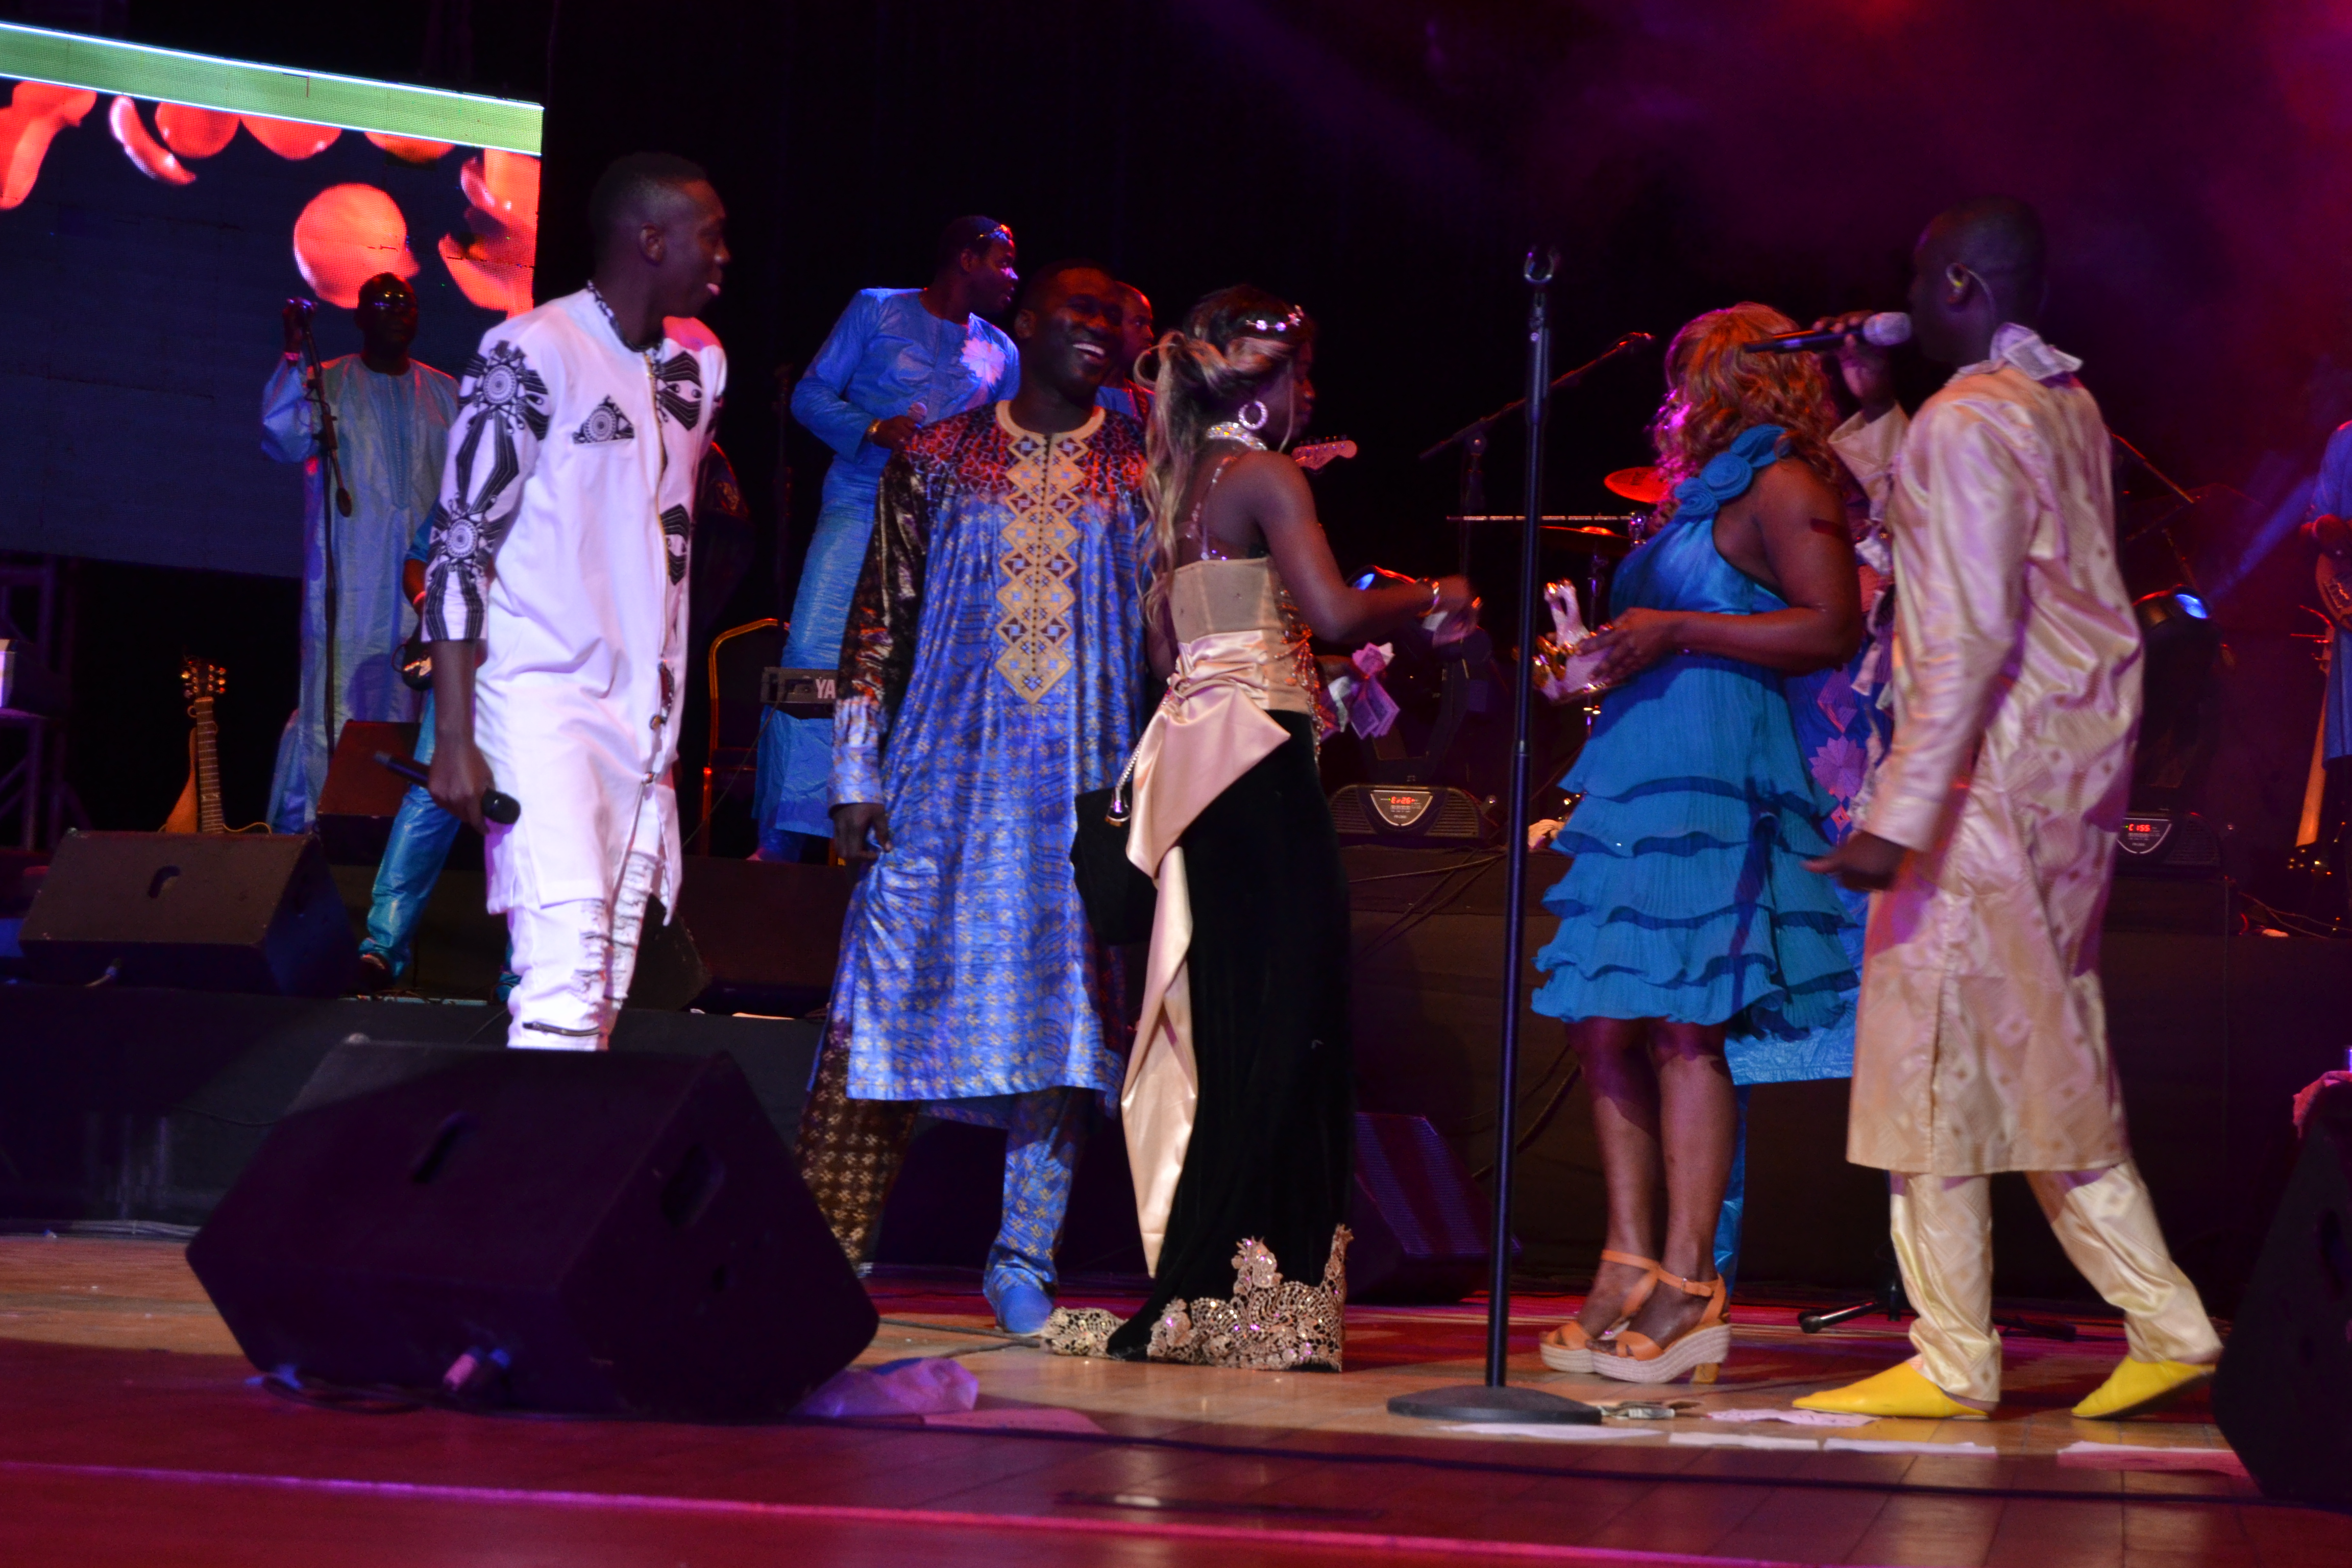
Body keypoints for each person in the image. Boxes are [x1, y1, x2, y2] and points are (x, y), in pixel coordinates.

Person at [1799, 198, 2222, 1420]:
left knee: (1968, 1054)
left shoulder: (1974, 416)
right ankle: (2034, 1334)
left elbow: (1970, 630)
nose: (1910, 298)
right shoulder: (2052, 401)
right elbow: (1967, 548)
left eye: (1922, 280)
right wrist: (1875, 413)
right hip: (2054, 777)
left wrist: (1902, 810)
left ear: (1962, 286)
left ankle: (2074, 1331)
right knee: (1998, 1049)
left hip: (1982, 778)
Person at [1039, 287, 1474, 1371]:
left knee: (1233, 1020)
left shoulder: (1185, 484)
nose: (1313, 394)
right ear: (1263, 384)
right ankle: (1265, 1298)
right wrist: (1432, 595)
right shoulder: (1267, 475)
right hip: (1261, 773)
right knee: (1291, 1022)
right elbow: (1332, 610)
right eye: (1304, 375)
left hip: (1203, 768)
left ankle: (1220, 1288)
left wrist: (1305, 661)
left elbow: (1186, 650)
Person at [793, 260, 1148, 1335]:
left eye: (1124, 322)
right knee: (885, 994)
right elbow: (878, 620)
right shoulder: (941, 456)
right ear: (1027, 320)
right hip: (940, 780)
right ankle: (822, 1251)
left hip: (1082, 791)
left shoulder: (1143, 470)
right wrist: (854, 771)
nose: (1105, 332)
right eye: (1084, 313)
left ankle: (1023, 1261)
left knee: (1065, 1015)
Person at [1527, 303, 1863, 1387]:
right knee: (1603, 1023)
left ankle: (1692, 1279)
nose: (1677, 394)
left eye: (1691, 372)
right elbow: (1650, 642)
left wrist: (1677, 629)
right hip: (1641, 767)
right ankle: (1626, 1259)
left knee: (1685, 1028)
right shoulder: (1687, 505)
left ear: (1734, 379)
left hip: (1720, 772)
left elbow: (1832, 626)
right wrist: (1590, 665)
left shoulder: (1784, 484)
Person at [421, 152, 729, 1048]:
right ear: (650, 239)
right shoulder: (533, 349)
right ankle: (528, 1192)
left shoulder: (696, 367)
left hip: (644, 727)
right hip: (543, 702)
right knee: (561, 982)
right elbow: (459, 545)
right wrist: (453, 737)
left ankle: (550, 1182)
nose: (724, 255)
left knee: (601, 997)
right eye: (709, 236)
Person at [755, 216, 1021, 859]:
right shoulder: (878, 309)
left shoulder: (1003, 352)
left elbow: (1007, 446)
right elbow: (810, 396)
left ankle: (897, 841)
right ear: (965, 258)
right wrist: (874, 428)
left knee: (925, 675)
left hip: (947, 531)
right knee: (815, 657)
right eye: (1003, 261)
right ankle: (786, 837)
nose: (1013, 277)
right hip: (859, 503)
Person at [261, 273, 457, 831]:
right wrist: (294, 349)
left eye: (406, 303)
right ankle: (318, 836)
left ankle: (393, 838)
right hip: (347, 585)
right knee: (335, 708)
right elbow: (283, 438)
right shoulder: (327, 383)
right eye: (383, 303)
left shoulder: (447, 395)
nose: (396, 312)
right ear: (360, 316)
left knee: (409, 711)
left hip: (418, 590)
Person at [1096, 282, 1155, 422]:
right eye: (1139, 323)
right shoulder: (1069, 400)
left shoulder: (1154, 404)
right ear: (1110, 324)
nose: (1150, 335)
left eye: (1150, 325)